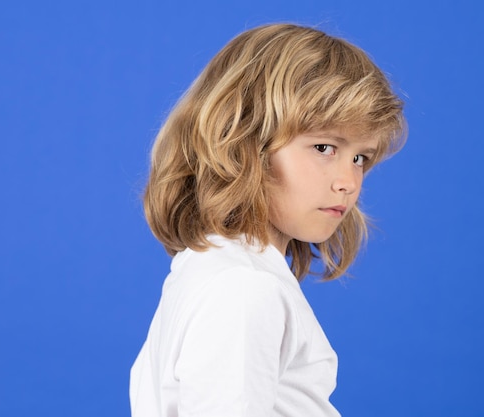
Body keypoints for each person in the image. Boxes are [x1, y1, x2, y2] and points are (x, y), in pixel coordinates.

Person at [130, 23, 406, 417]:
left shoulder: (221, 269)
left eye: (360, 158)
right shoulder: (244, 285)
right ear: (244, 143)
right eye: (324, 147)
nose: (348, 182)